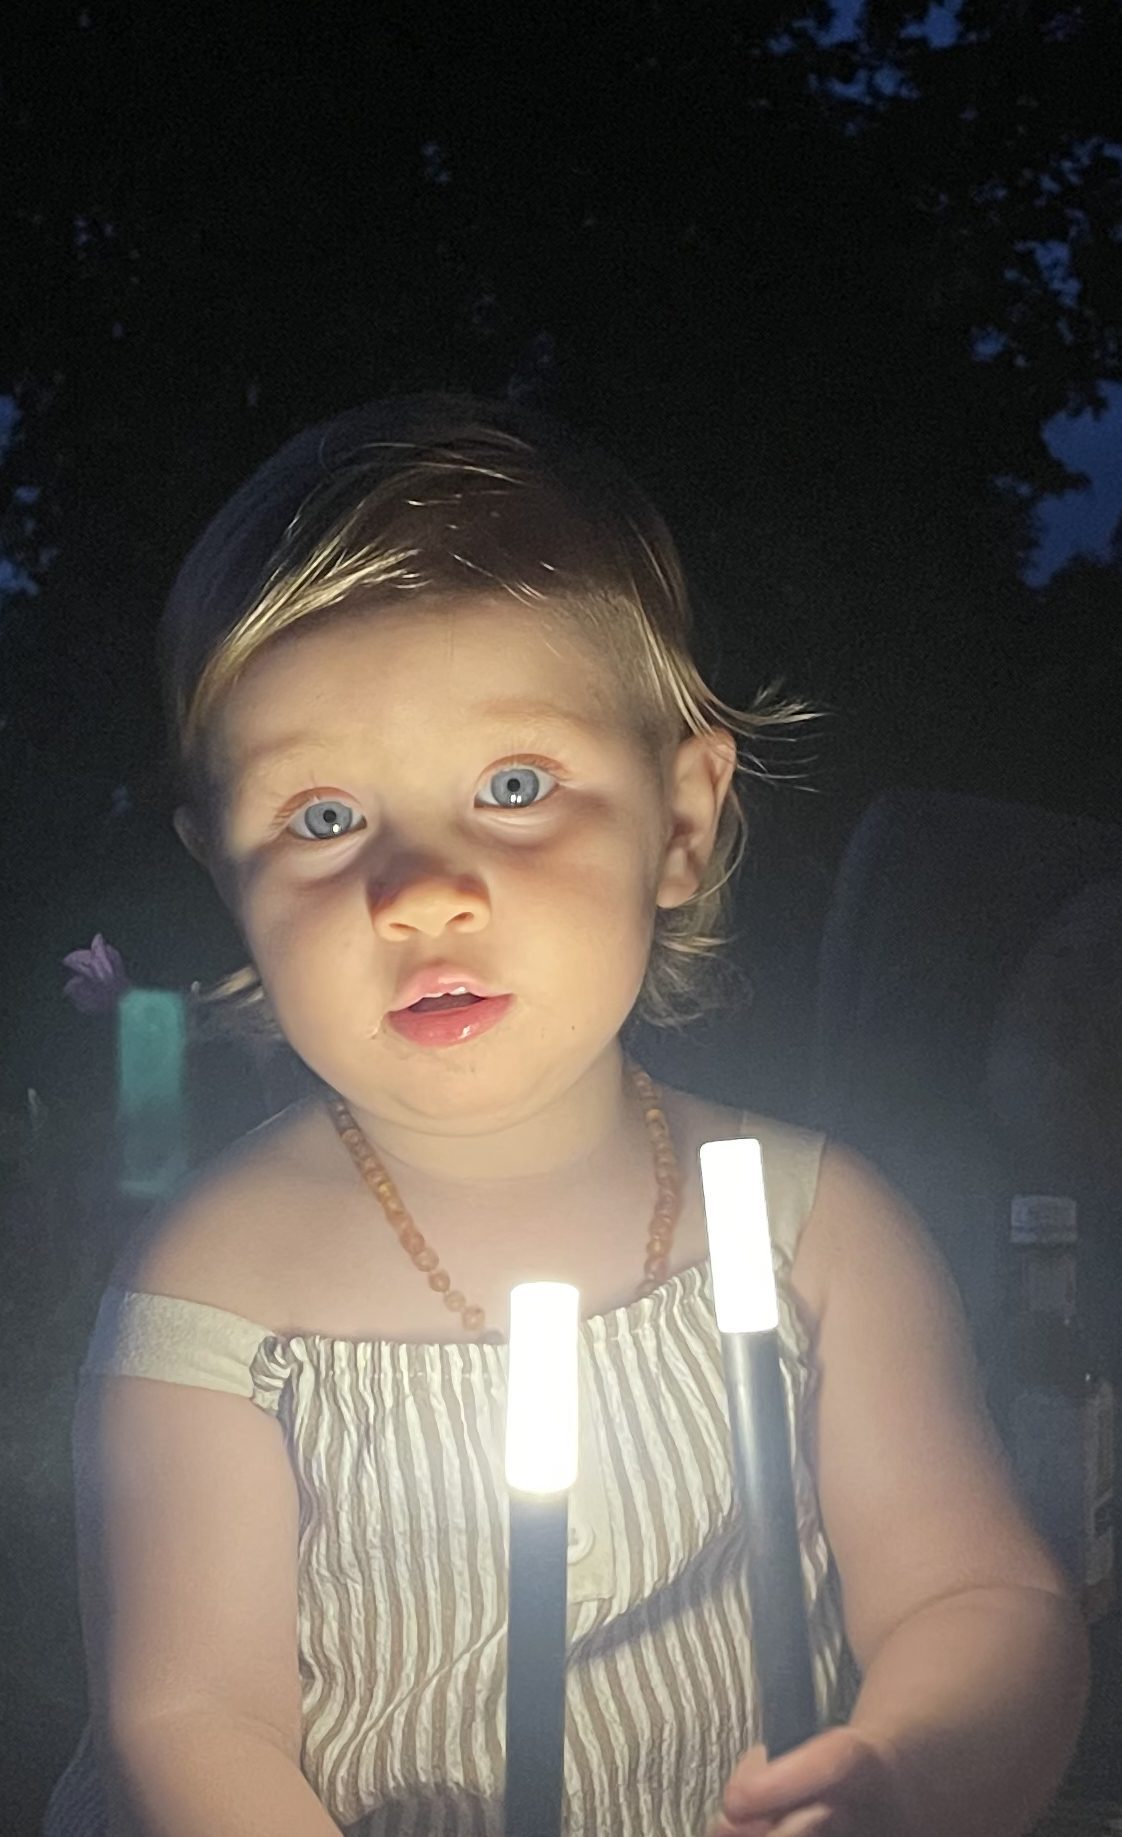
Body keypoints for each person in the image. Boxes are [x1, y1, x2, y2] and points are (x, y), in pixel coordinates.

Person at [45, 397, 1088, 1837]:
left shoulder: (815, 1230)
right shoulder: (208, 1291)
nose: (418, 890)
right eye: (324, 817)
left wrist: (909, 1775)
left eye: (514, 786)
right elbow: (185, 1716)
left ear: (680, 816)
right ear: (224, 870)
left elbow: (976, 1593)